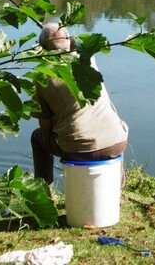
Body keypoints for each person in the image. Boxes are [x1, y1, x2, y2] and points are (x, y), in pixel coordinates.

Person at [31, 22, 128, 186]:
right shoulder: (88, 59)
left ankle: (44, 192)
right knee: (115, 127)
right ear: (70, 42)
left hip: (80, 150)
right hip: (116, 143)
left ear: (43, 48)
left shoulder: (41, 77)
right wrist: (65, 37)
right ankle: (117, 191)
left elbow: (45, 127)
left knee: (38, 137)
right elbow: (78, 45)